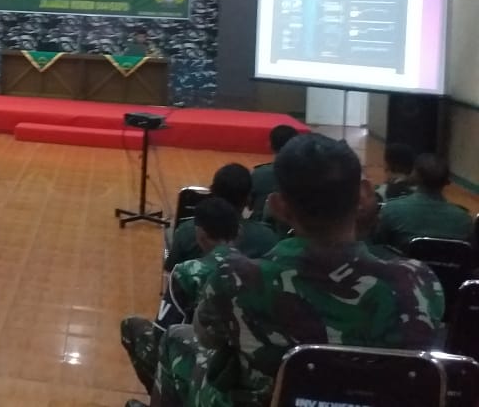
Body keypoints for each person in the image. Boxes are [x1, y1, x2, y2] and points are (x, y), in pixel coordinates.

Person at [144, 133, 444, 407]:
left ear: (278, 206)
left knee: (176, 339)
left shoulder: (235, 279)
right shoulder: (419, 282)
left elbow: (207, 338)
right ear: (364, 194)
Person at [123, 198, 240, 394]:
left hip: (197, 367)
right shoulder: (257, 269)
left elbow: (162, 332)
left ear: (200, 234)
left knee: (130, 326)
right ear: (237, 232)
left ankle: (161, 395)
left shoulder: (187, 272)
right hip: (234, 372)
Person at [164, 164, 277, 270]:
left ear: (212, 192)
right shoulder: (267, 237)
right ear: (248, 199)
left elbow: (171, 271)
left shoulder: (186, 231)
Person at [374, 153, 473, 253]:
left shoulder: (391, 210)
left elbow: (377, 247)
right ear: (446, 181)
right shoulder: (464, 220)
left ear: (414, 176)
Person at [248, 124, 300, 221]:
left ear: (270, 145)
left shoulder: (259, 174)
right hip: (295, 225)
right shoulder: (307, 175)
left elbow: (250, 205)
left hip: (261, 224)